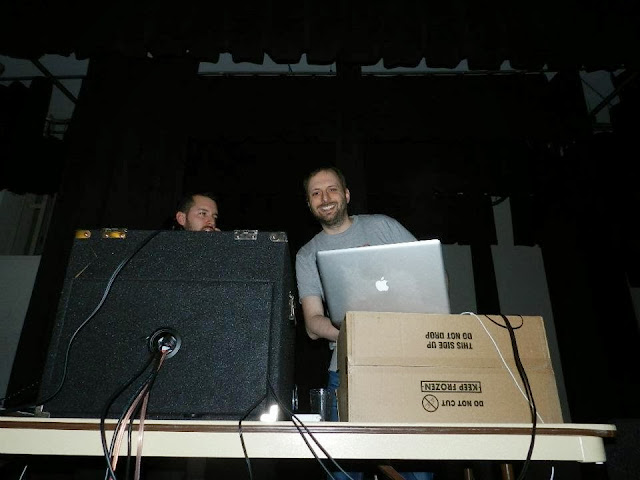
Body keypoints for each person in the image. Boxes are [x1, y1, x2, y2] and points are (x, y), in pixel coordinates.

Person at [295, 166, 433, 480]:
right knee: (343, 469)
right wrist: (358, 332)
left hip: (406, 365)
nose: (325, 198)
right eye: (316, 193)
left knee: (418, 468)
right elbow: (313, 324)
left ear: (346, 195)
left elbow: (432, 277)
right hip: (345, 370)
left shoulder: (384, 226)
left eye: (331, 189)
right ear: (309, 204)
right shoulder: (307, 254)